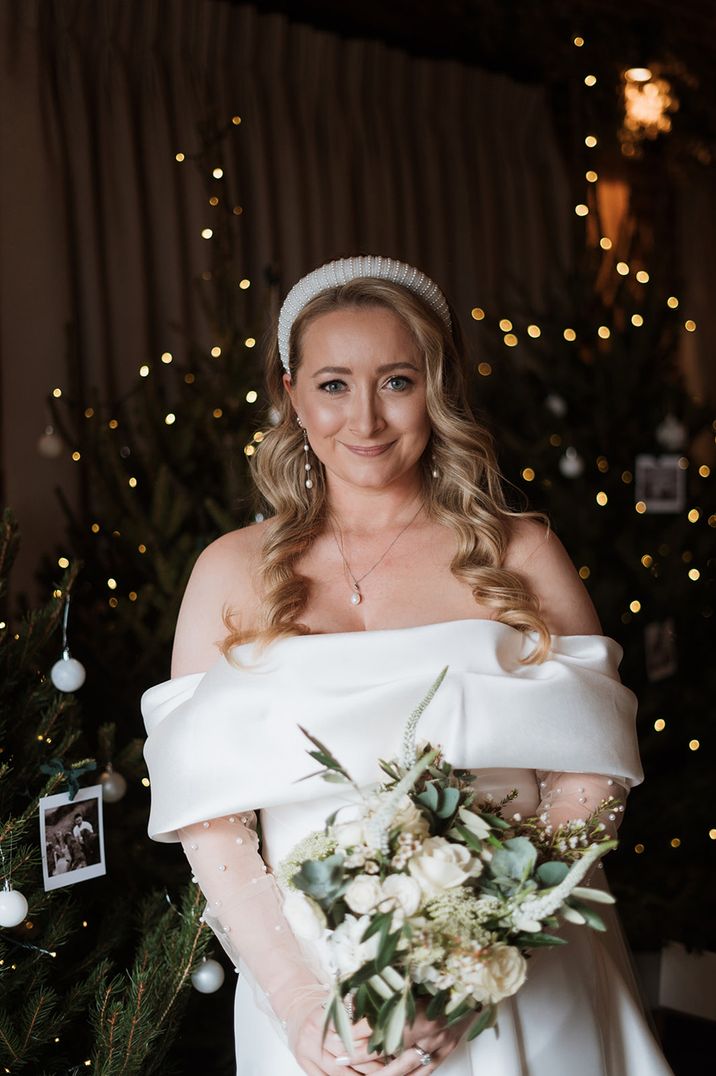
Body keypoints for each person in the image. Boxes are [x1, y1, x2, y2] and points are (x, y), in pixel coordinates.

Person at [142, 255, 674, 1075]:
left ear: (438, 386)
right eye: (331, 384)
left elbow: (591, 781)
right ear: (289, 392)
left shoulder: (520, 553)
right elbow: (206, 818)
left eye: (396, 380)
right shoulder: (228, 571)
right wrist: (297, 1001)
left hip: (521, 979)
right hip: (318, 998)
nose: (366, 419)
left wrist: (482, 956)